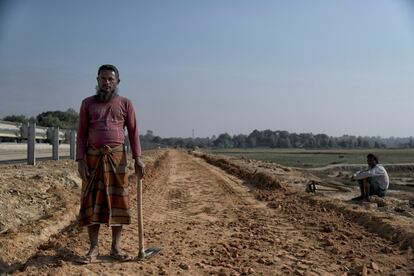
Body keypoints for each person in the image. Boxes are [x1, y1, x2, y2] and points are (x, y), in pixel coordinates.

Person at [76, 64, 145, 262]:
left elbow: (133, 132)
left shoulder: (126, 103)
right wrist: (80, 160)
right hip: (92, 159)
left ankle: (116, 248)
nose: (106, 83)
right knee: (92, 203)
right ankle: (93, 249)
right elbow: (81, 134)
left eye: (110, 79)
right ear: (97, 80)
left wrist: (138, 158)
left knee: (118, 202)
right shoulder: (87, 103)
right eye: (103, 79)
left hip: (117, 159)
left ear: (117, 82)